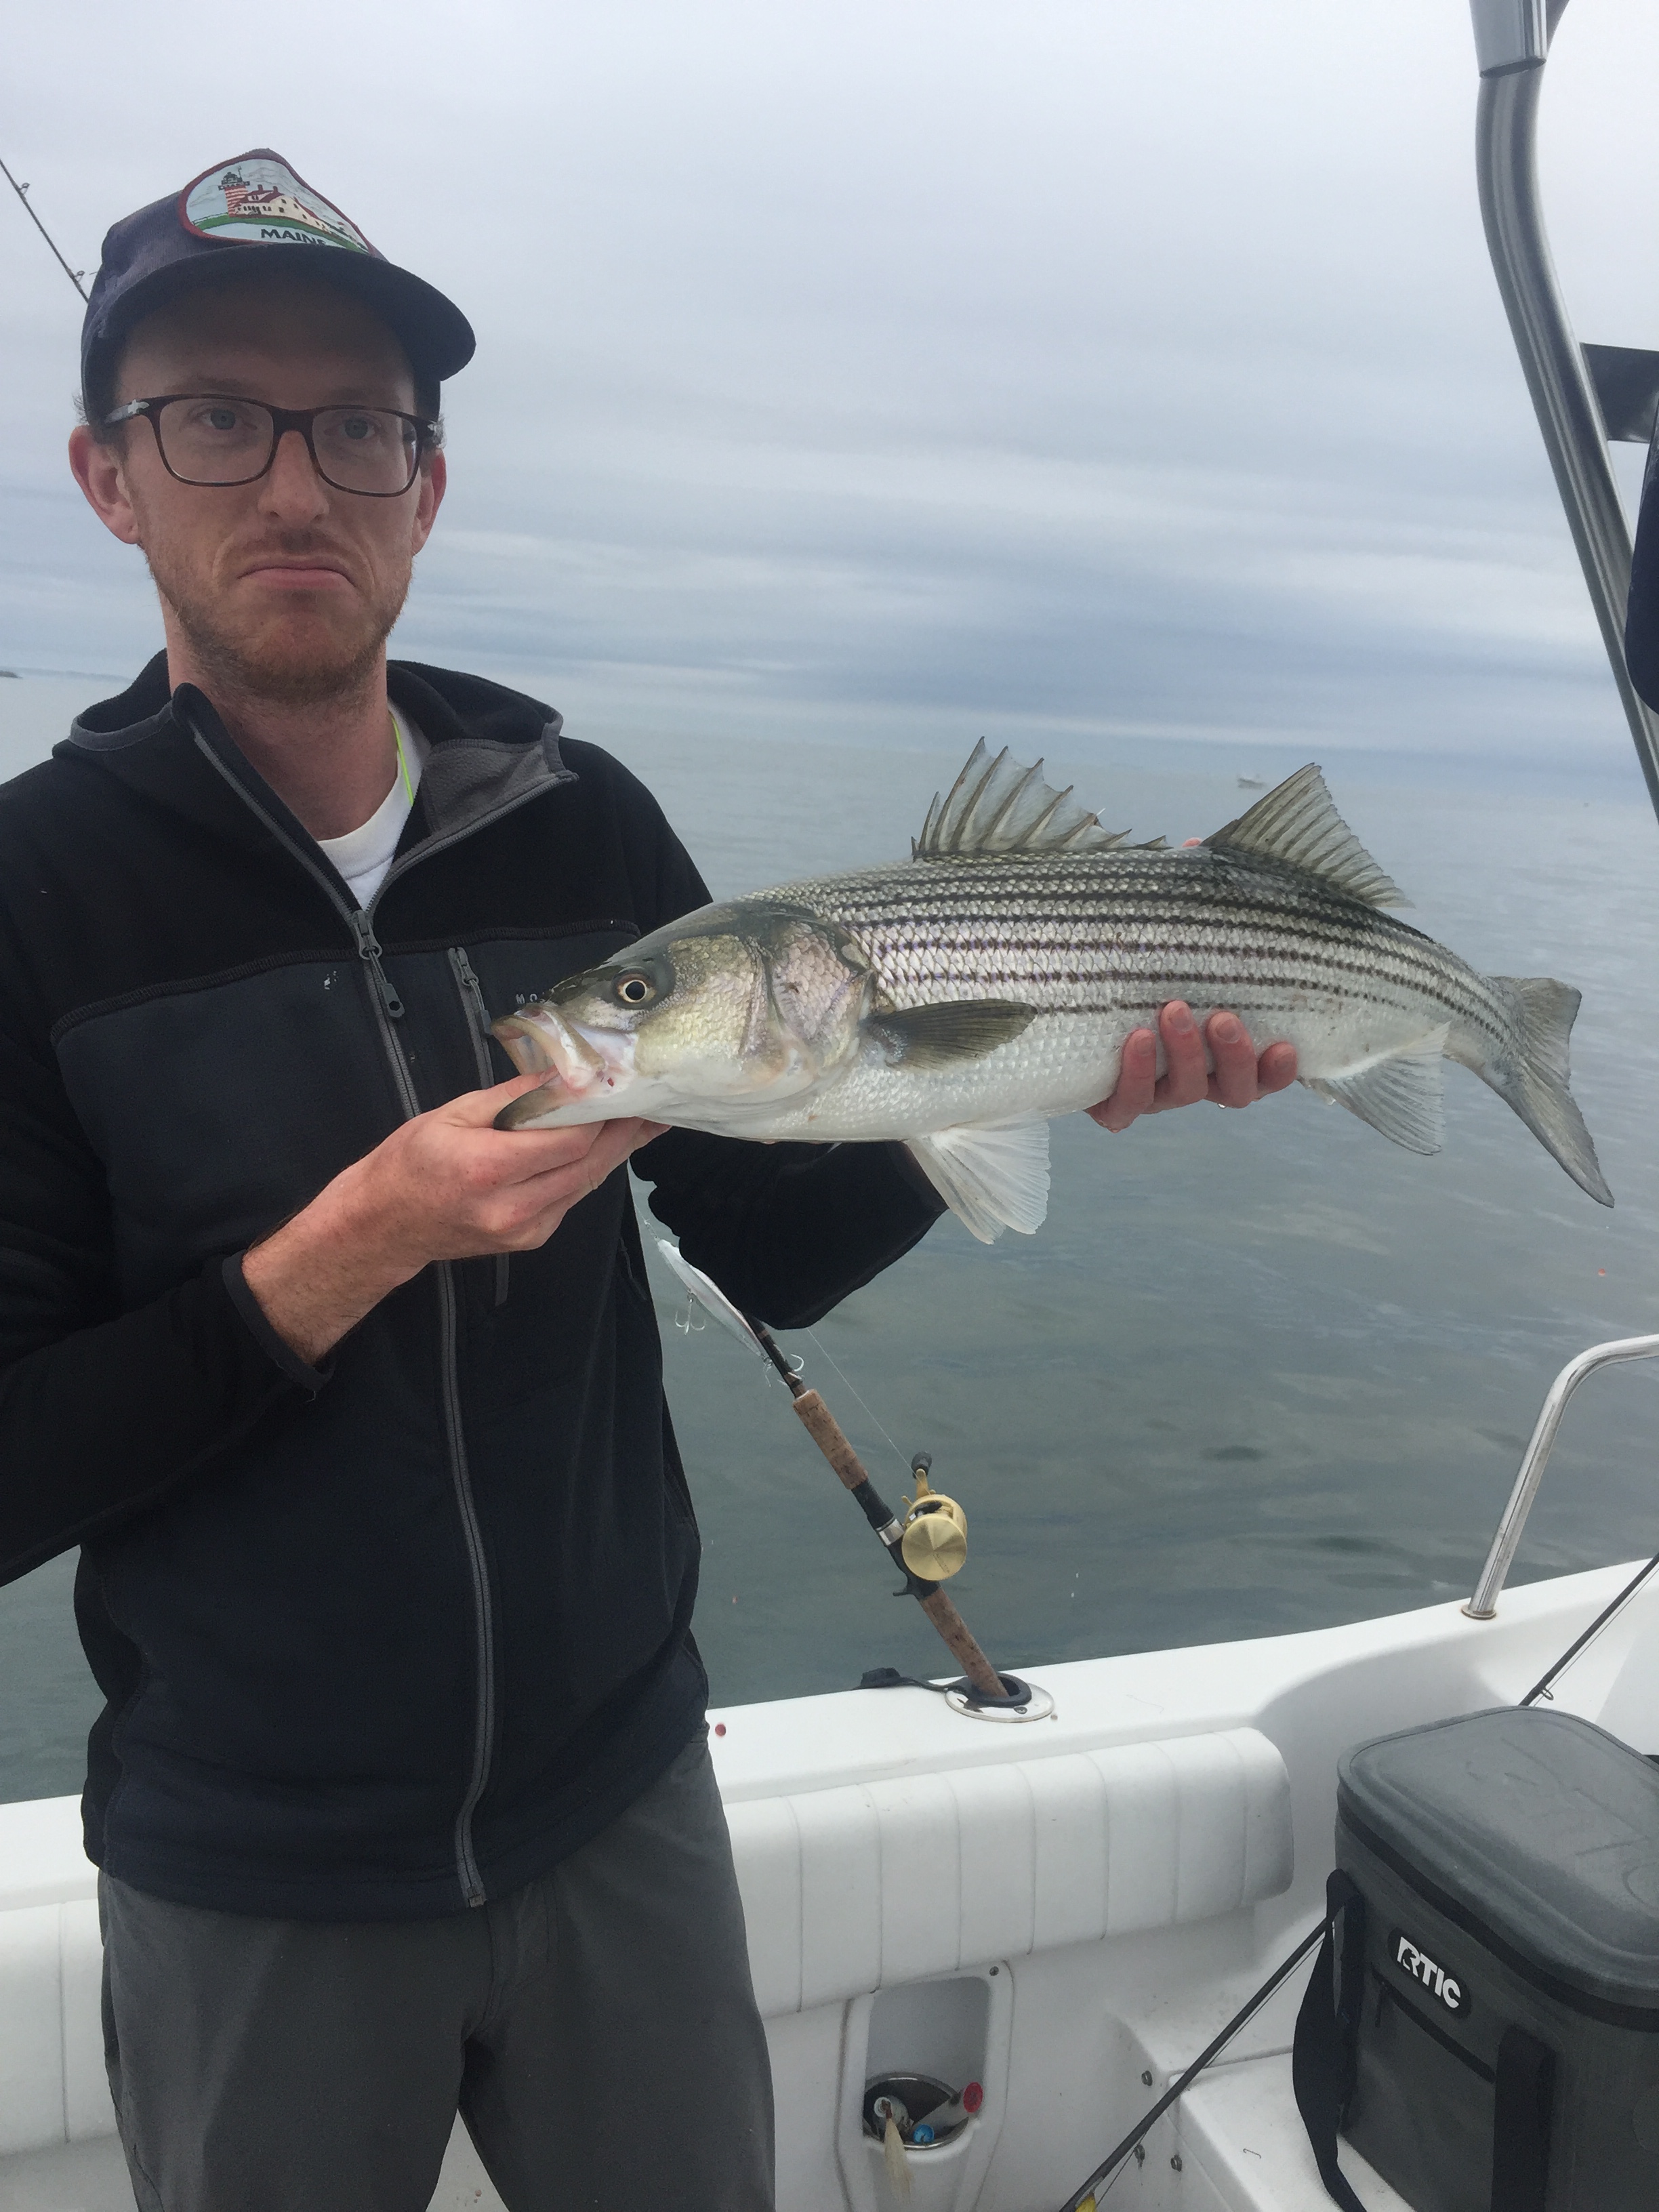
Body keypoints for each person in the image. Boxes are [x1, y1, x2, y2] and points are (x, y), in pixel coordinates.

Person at [0, 148, 1296, 2212]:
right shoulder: (34, 896)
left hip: (625, 1811)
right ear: (107, 477)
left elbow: (757, 1228)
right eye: (217, 420)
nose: (296, 483)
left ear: (425, 485)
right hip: (257, 1868)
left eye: (359, 426)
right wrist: (342, 1252)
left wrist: (1050, 1086)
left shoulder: (578, 823)